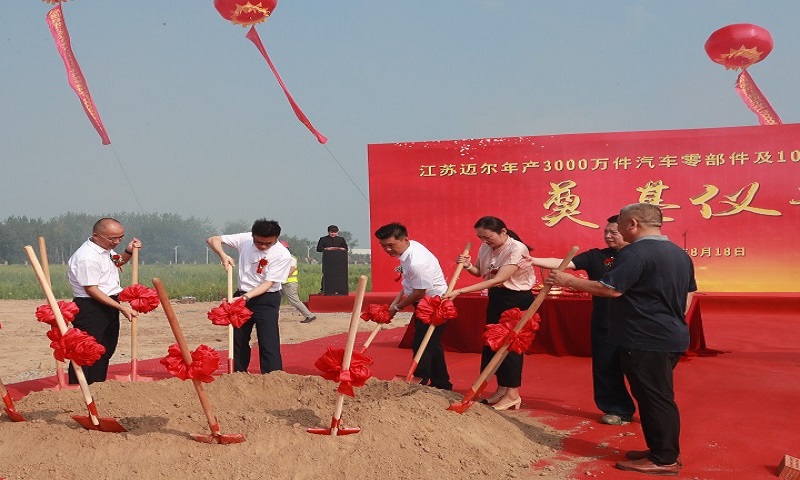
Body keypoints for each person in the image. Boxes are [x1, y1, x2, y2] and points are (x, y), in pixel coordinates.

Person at [545, 203, 696, 476]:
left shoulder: (635, 252)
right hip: (668, 334)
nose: (617, 231)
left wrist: (569, 281)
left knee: (655, 398)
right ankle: (659, 450)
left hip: (645, 338)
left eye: (622, 224)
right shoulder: (678, 253)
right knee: (653, 396)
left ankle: (664, 459)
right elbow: (689, 292)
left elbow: (610, 289)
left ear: (633, 224)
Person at [530, 215, 635, 426]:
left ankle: (652, 411)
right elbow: (563, 263)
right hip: (604, 322)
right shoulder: (597, 256)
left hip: (635, 324)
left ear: (627, 231)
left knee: (639, 370)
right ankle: (616, 409)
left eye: (613, 232)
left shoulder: (639, 256)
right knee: (605, 367)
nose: (608, 236)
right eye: (606, 232)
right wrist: (530, 260)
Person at [443, 216, 536, 410]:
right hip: (497, 298)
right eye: (480, 237)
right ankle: (502, 389)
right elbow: (481, 272)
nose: (484, 241)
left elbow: (498, 279)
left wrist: (460, 291)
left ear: (503, 231)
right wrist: (468, 265)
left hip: (516, 300)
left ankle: (513, 394)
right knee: (493, 344)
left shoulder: (517, 249)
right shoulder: (486, 247)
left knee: (510, 346)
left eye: (487, 237)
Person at [207, 219, 292, 374]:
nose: (263, 246)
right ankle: (238, 375)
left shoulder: (282, 255)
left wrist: (246, 298)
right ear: (253, 236)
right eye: (258, 242)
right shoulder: (245, 239)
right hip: (241, 296)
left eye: (268, 243)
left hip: (266, 299)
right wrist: (223, 255)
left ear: (276, 239)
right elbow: (213, 239)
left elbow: (268, 284)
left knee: (268, 340)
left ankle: (272, 376)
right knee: (238, 339)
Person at [375, 222, 451, 390]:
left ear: (405, 240)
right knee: (431, 343)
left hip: (434, 304)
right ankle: (442, 383)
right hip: (426, 300)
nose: (387, 249)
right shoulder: (409, 249)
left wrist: (396, 308)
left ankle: (421, 379)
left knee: (422, 343)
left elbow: (419, 293)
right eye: (383, 245)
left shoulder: (417, 263)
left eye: (391, 245)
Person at [67, 218, 142, 384]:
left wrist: (129, 251)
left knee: (105, 349)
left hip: (110, 303)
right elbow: (92, 290)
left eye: (120, 237)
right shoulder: (87, 257)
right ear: (96, 235)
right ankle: (78, 388)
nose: (117, 242)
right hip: (91, 306)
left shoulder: (106, 250)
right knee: (85, 350)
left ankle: (98, 385)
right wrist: (122, 308)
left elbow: (118, 261)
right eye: (112, 239)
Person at [279, 241, 317, 324]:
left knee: (295, 301)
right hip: (282, 283)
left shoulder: (291, 258)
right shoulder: (280, 258)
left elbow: (292, 270)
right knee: (275, 299)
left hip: (289, 283)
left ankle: (309, 315)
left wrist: (283, 278)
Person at [316, 225, 348, 294]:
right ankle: (323, 289)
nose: (333, 234)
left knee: (339, 275)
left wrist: (341, 249)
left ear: (337, 232)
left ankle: (339, 289)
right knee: (326, 274)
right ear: (328, 232)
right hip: (328, 260)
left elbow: (346, 248)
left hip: (339, 260)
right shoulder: (323, 239)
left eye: (335, 232)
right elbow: (318, 249)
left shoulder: (341, 239)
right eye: (331, 232)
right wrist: (326, 249)